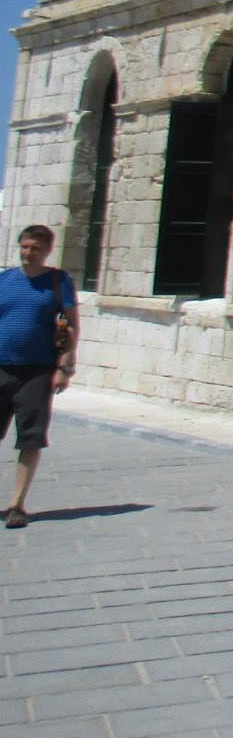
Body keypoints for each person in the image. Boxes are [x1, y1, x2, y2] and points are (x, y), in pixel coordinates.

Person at [1, 224, 78, 528]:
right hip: (1, 367)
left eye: (34, 248)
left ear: (47, 250)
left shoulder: (58, 282)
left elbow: (71, 326)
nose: (28, 253)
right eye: (24, 247)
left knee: (30, 438)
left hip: (37, 370)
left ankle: (16, 504)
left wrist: (64, 367)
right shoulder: (4, 280)